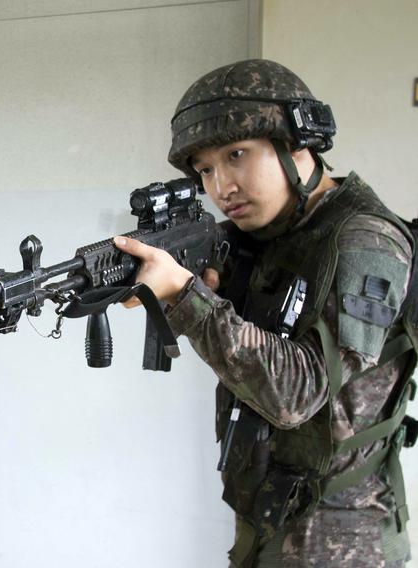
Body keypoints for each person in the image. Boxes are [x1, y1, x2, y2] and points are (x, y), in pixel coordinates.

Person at [115, 59, 416, 567]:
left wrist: (189, 297)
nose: (221, 186)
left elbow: (299, 394)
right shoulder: (264, 238)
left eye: (237, 155)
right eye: (205, 168)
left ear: (297, 143)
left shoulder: (365, 239)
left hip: (342, 543)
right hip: (269, 525)